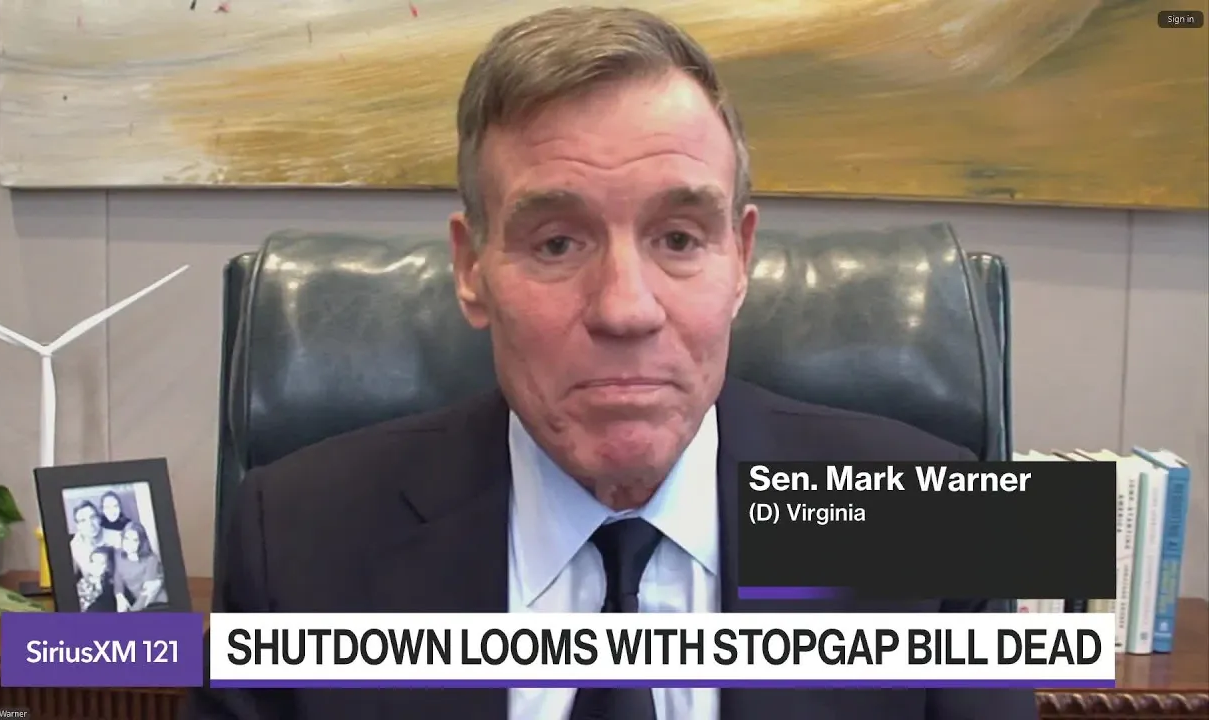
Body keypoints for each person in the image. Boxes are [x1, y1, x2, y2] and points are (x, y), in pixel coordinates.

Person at [183, 6, 1036, 720]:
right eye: (557, 243)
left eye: (679, 239)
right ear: (472, 270)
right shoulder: (295, 537)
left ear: (740, 260)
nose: (626, 308)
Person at [114, 521, 168, 612]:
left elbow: (146, 594)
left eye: (135, 540)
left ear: (141, 542)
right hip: (138, 603)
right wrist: (119, 597)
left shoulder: (151, 559)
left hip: (156, 602)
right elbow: (118, 580)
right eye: (126, 539)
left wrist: (132, 612)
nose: (129, 544)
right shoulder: (118, 555)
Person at [67, 500, 117, 580]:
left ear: (99, 519)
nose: (90, 524)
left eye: (92, 517)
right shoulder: (74, 547)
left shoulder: (117, 537)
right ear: (78, 526)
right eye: (83, 520)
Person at [76, 546, 116, 613]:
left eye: (100, 563)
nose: (95, 566)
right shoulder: (82, 582)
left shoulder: (109, 586)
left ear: (108, 566)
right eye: (92, 561)